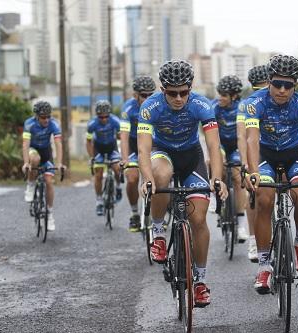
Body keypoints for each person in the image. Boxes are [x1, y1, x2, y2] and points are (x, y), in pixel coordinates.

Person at [137, 59, 228, 308]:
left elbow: (212, 146)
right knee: (161, 175)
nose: (178, 98)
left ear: (190, 88)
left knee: (198, 219)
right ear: (162, 90)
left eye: (184, 92)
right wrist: (147, 180)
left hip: (191, 158)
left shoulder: (201, 105)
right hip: (162, 152)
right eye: (172, 93)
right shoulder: (149, 107)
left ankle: (199, 281)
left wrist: (217, 178)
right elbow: (143, 149)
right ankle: (157, 232)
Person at [244, 55, 298, 294]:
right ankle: (264, 266)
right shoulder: (255, 103)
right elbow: (251, 139)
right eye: (277, 84)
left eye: (288, 85)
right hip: (266, 154)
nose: (282, 90)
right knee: (263, 198)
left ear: (295, 86)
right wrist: (252, 172)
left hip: (295, 153)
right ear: (269, 81)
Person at [237, 65, 269, 262]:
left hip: (278, 150)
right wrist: (245, 162)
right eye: (258, 88)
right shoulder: (246, 105)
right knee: (254, 194)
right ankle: (253, 239)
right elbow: (242, 135)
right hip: (256, 149)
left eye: (265, 87)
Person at [212, 75, 249, 242]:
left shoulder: (242, 108)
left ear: (234, 96)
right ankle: (215, 197)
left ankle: (241, 224)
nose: (220, 97)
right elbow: (209, 135)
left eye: (224, 95)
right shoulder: (214, 107)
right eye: (219, 93)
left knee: (236, 176)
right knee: (212, 162)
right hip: (220, 144)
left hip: (236, 146)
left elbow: (246, 135)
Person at [22, 101, 65, 231]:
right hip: (33, 151)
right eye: (43, 117)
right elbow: (25, 144)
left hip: (47, 154)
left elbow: (58, 144)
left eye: (48, 116)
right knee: (35, 159)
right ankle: (30, 185)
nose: (46, 119)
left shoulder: (54, 123)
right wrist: (26, 162)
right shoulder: (29, 124)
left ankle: (50, 214)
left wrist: (59, 163)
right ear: (36, 116)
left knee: (49, 182)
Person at [120, 76, 156, 232]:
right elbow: (124, 135)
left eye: (150, 95)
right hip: (135, 147)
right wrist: (125, 159)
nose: (147, 98)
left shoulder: (158, 105)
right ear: (135, 95)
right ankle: (135, 213)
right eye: (143, 95)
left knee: (163, 176)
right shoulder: (128, 109)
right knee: (132, 177)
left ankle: (163, 208)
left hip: (154, 146)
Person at [86, 100, 122, 216]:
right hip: (98, 149)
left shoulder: (115, 121)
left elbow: (122, 137)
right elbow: (88, 141)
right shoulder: (92, 124)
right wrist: (92, 157)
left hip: (112, 148)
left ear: (109, 114)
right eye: (101, 117)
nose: (104, 119)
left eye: (106, 116)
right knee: (99, 174)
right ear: (97, 116)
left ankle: (118, 187)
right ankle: (99, 201)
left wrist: (122, 153)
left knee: (117, 168)